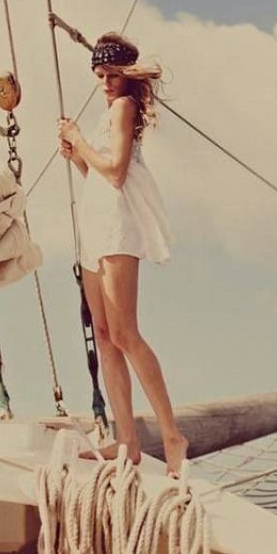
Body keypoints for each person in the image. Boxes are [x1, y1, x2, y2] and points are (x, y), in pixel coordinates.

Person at [57, 32, 188, 477]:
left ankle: (172, 436)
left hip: (117, 227)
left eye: (112, 75)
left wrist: (79, 139)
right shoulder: (107, 112)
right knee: (105, 334)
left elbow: (115, 173)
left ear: (128, 75)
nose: (106, 83)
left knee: (126, 333)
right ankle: (127, 440)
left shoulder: (124, 107)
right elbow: (97, 175)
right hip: (95, 224)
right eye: (100, 76)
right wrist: (76, 155)